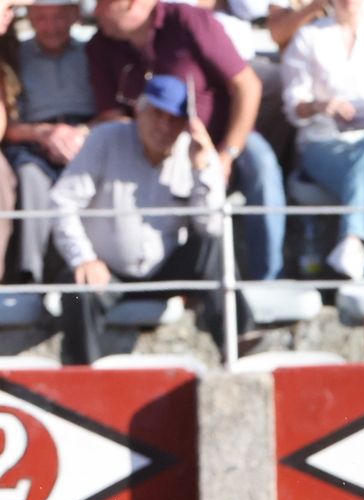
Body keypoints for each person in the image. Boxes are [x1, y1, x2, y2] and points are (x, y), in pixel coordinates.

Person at [87, 0, 286, 281]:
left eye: (102, 3)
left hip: (217, 138)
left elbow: (247, 85)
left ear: (131, 4)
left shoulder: (188, 21)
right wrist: (149, 149)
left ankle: (268, 280)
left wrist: (227, 153)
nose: (94, 12)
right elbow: (112, 117)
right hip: (150, 150)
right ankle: (163, 283)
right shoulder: (101, 45)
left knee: (262, 166)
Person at [49, 75, 236, 364]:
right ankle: (80, 372)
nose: (164, 126)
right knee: (75, 289)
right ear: (139, 110)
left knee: (216, 248)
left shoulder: (197, 153)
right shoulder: (106, 139)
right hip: (104, 273)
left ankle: (237, 347)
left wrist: (202, 169)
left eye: (174, 119)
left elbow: (211, 227)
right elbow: (62, 201)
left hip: (164, 270)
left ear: (187, 124)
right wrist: (83, 258)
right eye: (157, 114)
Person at [280, 0, 364, 280]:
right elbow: (294, 106)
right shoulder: (309, 37)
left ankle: (355, 242)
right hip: (326, 143)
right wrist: (320, 106)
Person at [4, 0, 94, 285]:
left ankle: (93, 272)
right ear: (30, 18)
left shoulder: (93, 52)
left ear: (74, 16)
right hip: (33, 143)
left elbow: (115, 113)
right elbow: (8, 125)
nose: (51, 27)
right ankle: (31, 275)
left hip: (88, 137)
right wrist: (44, 135)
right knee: (30, 177)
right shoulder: (16, 55)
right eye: (41, 18)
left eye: (59, 17)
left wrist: (80, 134)